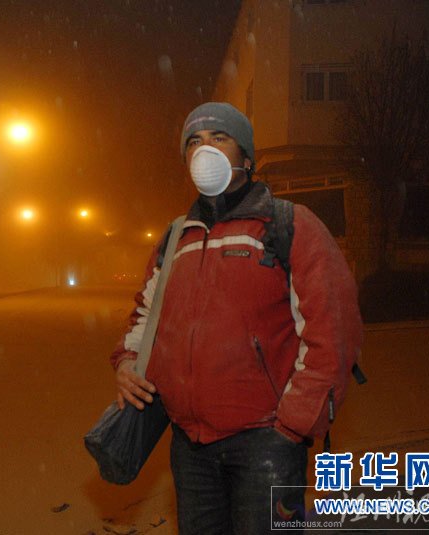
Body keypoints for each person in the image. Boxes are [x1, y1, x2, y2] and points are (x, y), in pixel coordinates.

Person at [110, 102, 363, 534]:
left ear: (245, 156)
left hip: (267, 443)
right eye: (194, 141)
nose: (204, 148)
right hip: (190, 446)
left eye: (219, 137)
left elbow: (332, 333)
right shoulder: (176, 237)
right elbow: (145, 318)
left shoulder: (289, 225)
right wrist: (128, 362)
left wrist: (294, 423)